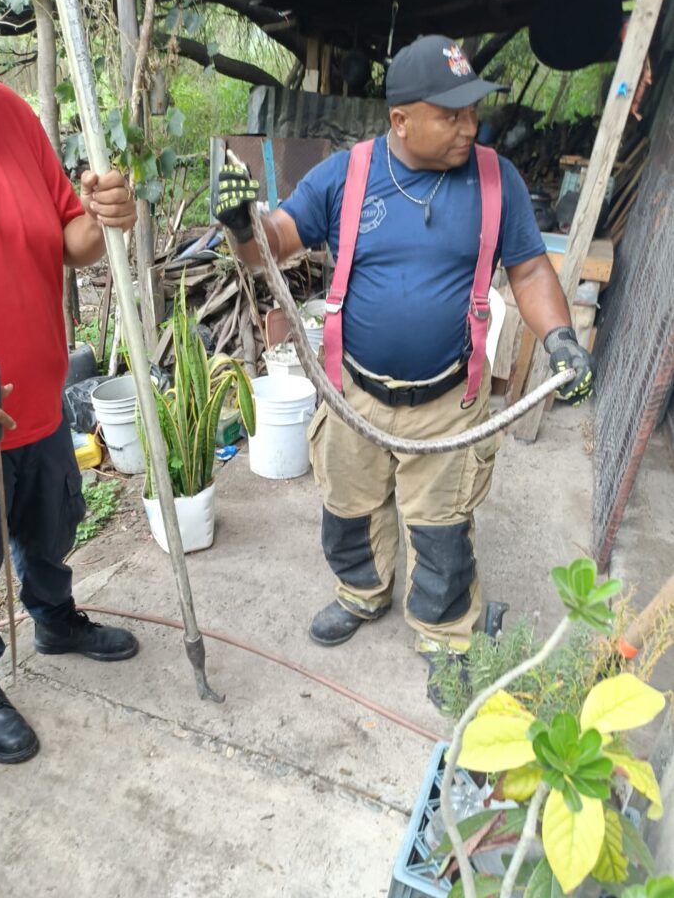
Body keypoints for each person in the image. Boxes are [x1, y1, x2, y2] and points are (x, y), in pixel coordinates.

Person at [216, 35, 593, 705]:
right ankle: (361, 593)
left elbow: (531, 270)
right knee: (348, 508)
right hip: (352, 392)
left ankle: (445, 636)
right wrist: (242, 226)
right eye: (451, 115)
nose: (470, 127)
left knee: (442, 528)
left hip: (448, 399)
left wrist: (561, 337)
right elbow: (271, 245)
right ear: (401, 120)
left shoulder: (496, 181)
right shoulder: (346, 175)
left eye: (473, 111)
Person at [0, 0, 140, 763]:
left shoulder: (10, 114)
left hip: (41, 397)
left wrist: (105, 216)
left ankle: (53, 619)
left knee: (52, 529)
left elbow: (69, 238)